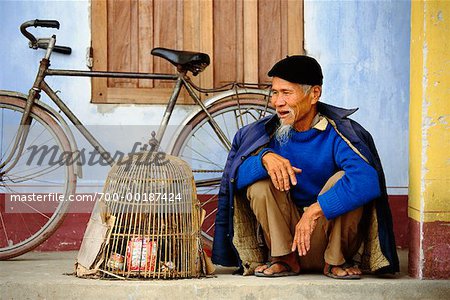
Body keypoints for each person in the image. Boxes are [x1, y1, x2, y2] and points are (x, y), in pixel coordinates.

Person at [212, 55, 399, 279]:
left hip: (326, 236)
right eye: (274, 92)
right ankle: (284, 261)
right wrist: (264, 158)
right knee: (259, 184)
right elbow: (235, 179)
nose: (277, 102)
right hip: (286, 242)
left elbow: (367, 180)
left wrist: (314, 211)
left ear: (314, 95)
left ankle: (334, 262)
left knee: (344, 180)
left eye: (286, 93)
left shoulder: (338, 133)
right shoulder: (267, 134)